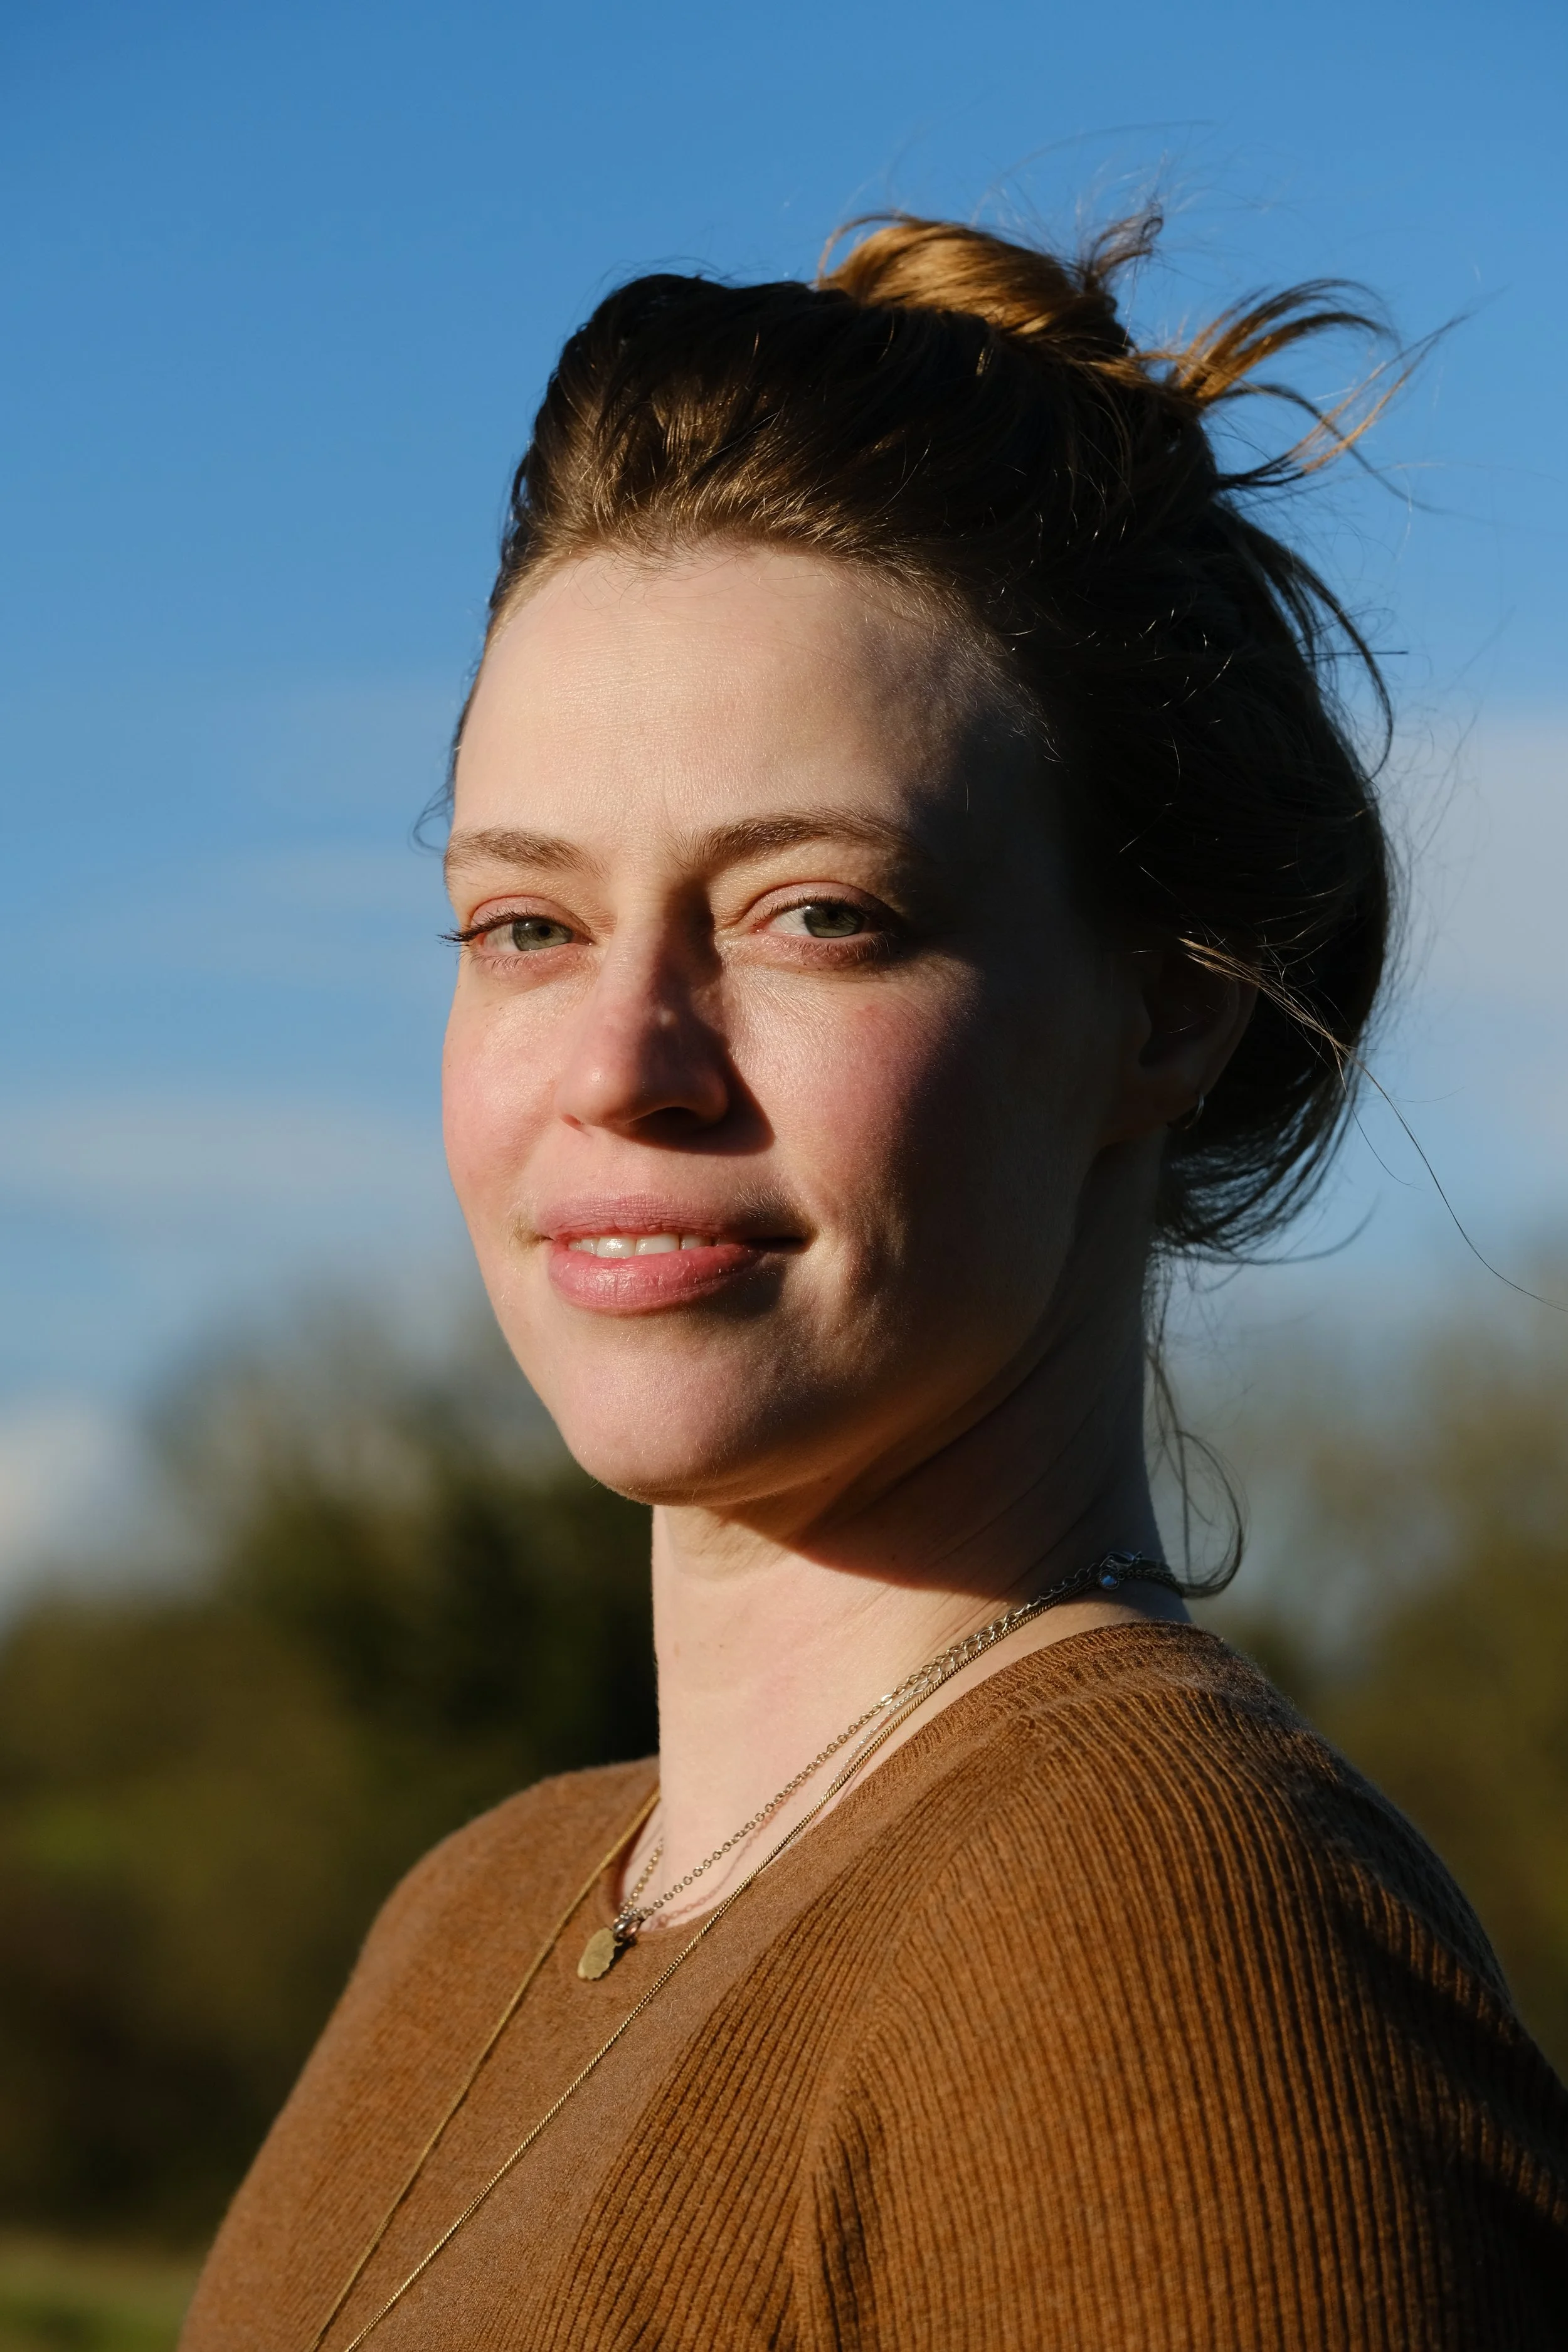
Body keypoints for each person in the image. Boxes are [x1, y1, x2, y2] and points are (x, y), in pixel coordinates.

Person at [180, 212, 1568, 2349]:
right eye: (525, 926)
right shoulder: (467, 1924)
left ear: (1166, 1006)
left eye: (811, 911)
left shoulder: (1166, 1954)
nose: (621, 1067)